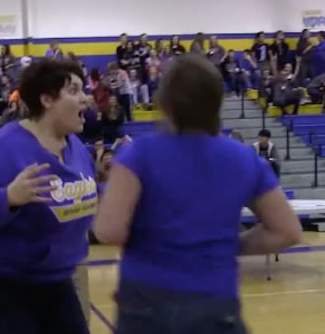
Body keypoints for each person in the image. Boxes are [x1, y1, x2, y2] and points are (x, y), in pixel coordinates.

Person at [93, 56, 301, 334]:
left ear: (164, 101)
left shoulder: (138, 154)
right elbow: (287, 231)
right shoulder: (244, 159)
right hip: (213, 300)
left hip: (146, 300)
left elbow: (108, 230)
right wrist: (232, 245)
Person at [0, 59, 95, 334]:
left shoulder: (76, 147)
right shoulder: (2, 149)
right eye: (75, 90)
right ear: (47, 99)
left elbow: (82, 200)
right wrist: (7, 198)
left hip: (52, 279)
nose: (85, 99)